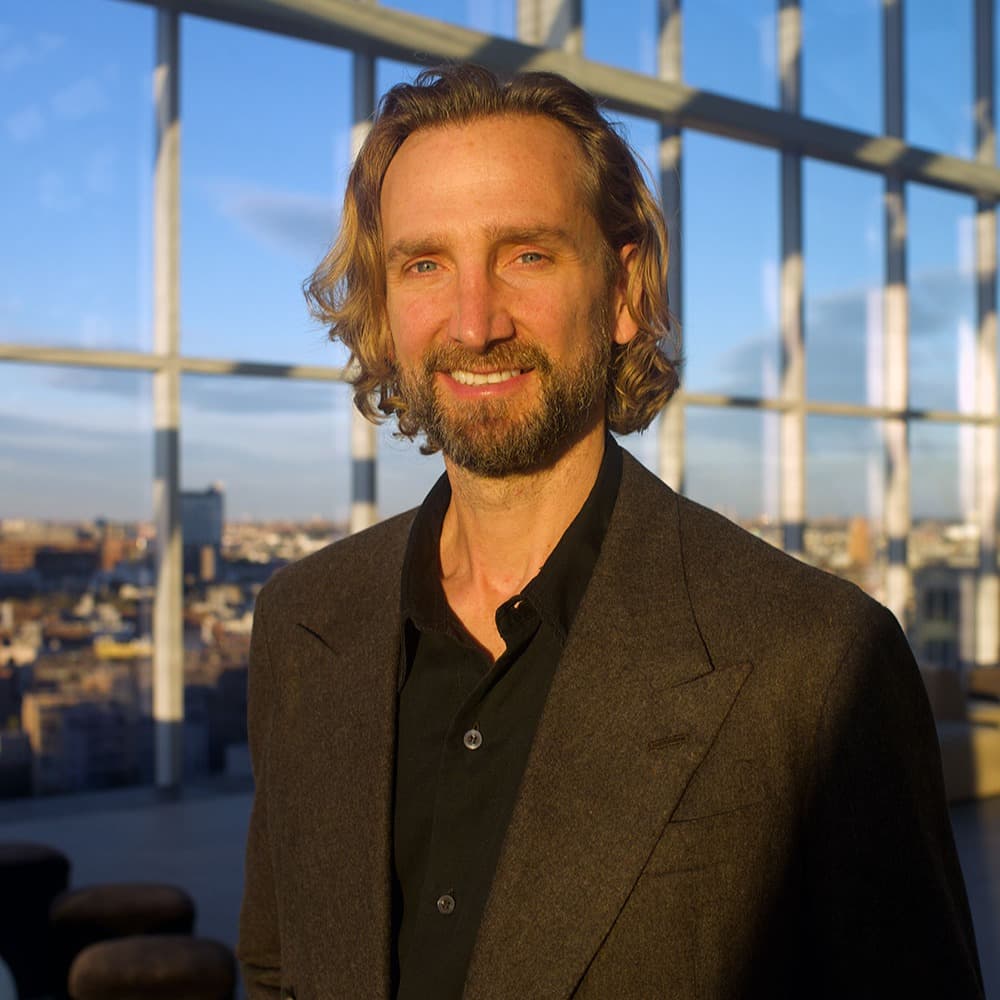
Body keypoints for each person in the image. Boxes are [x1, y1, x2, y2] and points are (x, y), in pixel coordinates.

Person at [237, 64, 983, 999]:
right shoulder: (303, 623)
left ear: (625, 290)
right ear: (384, 306)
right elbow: (280, 966)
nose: (473, 322)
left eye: (526, 255)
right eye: (425, 264)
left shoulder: (816, 661)